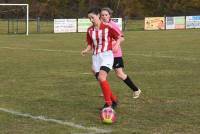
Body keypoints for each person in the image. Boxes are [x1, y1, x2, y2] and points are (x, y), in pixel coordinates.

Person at [81, 7, 122, 109]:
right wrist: (86, 50)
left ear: (98, 15)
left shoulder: (108, 27)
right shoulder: (90, 30)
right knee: (101, 80)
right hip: (95, 57)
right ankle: (114, 100)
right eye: (89, 18)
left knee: (101, 77)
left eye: (92, 17)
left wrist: (116, 45)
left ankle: (109, 104)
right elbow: (90, 44)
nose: (91, 20)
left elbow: (119, 37)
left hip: (106, 55)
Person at [100, 7, 141, 98]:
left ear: (110, 15)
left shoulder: (113, 25)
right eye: (102, 15)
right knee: (102, 73)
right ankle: (106, 91)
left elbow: (121, 38)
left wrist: (114, 44)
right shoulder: (101, 25)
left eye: (106, 15)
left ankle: (136, 90)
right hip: (105, 54)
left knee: (119, 74)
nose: (104, 16)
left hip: (115, 54)